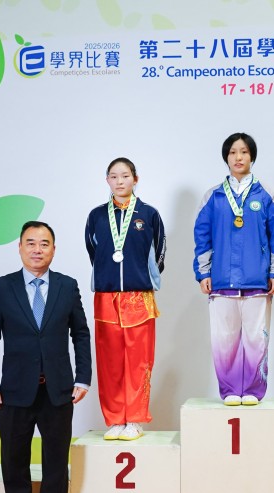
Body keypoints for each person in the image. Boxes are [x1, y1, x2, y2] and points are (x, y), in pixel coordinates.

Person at [0, 221, 92, 493]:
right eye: (31, 243)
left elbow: (80, 334)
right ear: (20, 248)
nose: (37, 250)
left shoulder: (67, 286)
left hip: (58, 388)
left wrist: (83, 377)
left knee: (56, 456)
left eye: (44, 244)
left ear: (54, 249)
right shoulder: (2, 288)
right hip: (15, 390)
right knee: (14, 457)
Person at [193, 132, 274, 406]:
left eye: (244, 152)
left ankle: (253, 391)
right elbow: (202, 237)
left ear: (252, 157)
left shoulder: (267, 194)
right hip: (222, 281)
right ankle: (230, 390)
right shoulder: (213, 196)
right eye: (233, 152)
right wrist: (204, 273)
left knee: (256, 338)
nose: (238, 157)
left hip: (257, 281)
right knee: (224, 340)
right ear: (226, 157)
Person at [85, 157, 166, 441]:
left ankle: (135, 419)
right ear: (107, 180)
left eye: (125, 175)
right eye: (114, 176)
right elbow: (93, 251)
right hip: (106, 297)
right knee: (109, 362)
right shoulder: (96, 216)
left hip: (138, 297)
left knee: (138, 361)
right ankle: (115, 419)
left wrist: (140, 277)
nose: (119, 181)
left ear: (135, 179)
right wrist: (109, 275)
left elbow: (159, 252)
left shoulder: (149, 214)